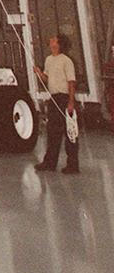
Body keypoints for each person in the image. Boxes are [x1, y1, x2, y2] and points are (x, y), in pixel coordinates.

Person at [34, 33, 79, 174]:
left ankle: (73, 165)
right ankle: (49, 163)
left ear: (59, 44)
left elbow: (71, 82)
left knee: (69, 133)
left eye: (53, 39)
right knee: (52, 132)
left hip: (65, 98)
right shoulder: (48, 60)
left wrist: (71, 102)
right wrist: (39, 73)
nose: (51, 40)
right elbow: (46, 79)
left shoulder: (67, 61)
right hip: (53, 99)